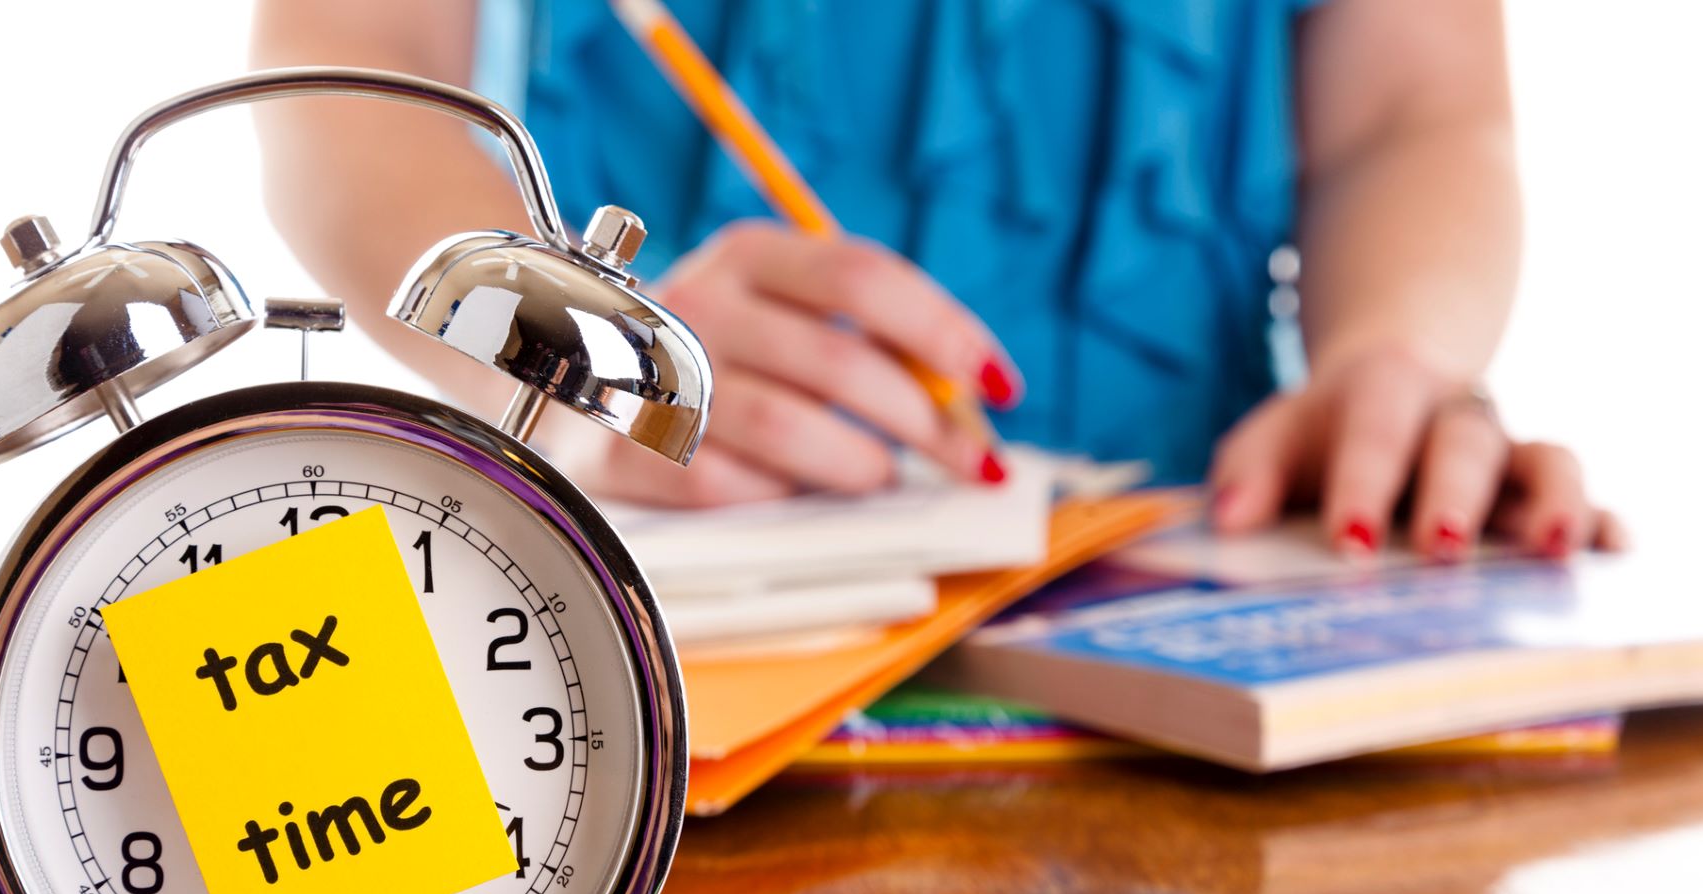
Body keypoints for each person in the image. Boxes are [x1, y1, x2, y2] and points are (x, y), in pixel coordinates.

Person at [253, 0, 1621, 559]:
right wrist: (565, 361)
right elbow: (346, 74)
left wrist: (1394, 363)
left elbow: (1414, 119)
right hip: (683, 555)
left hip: (1195, 557)